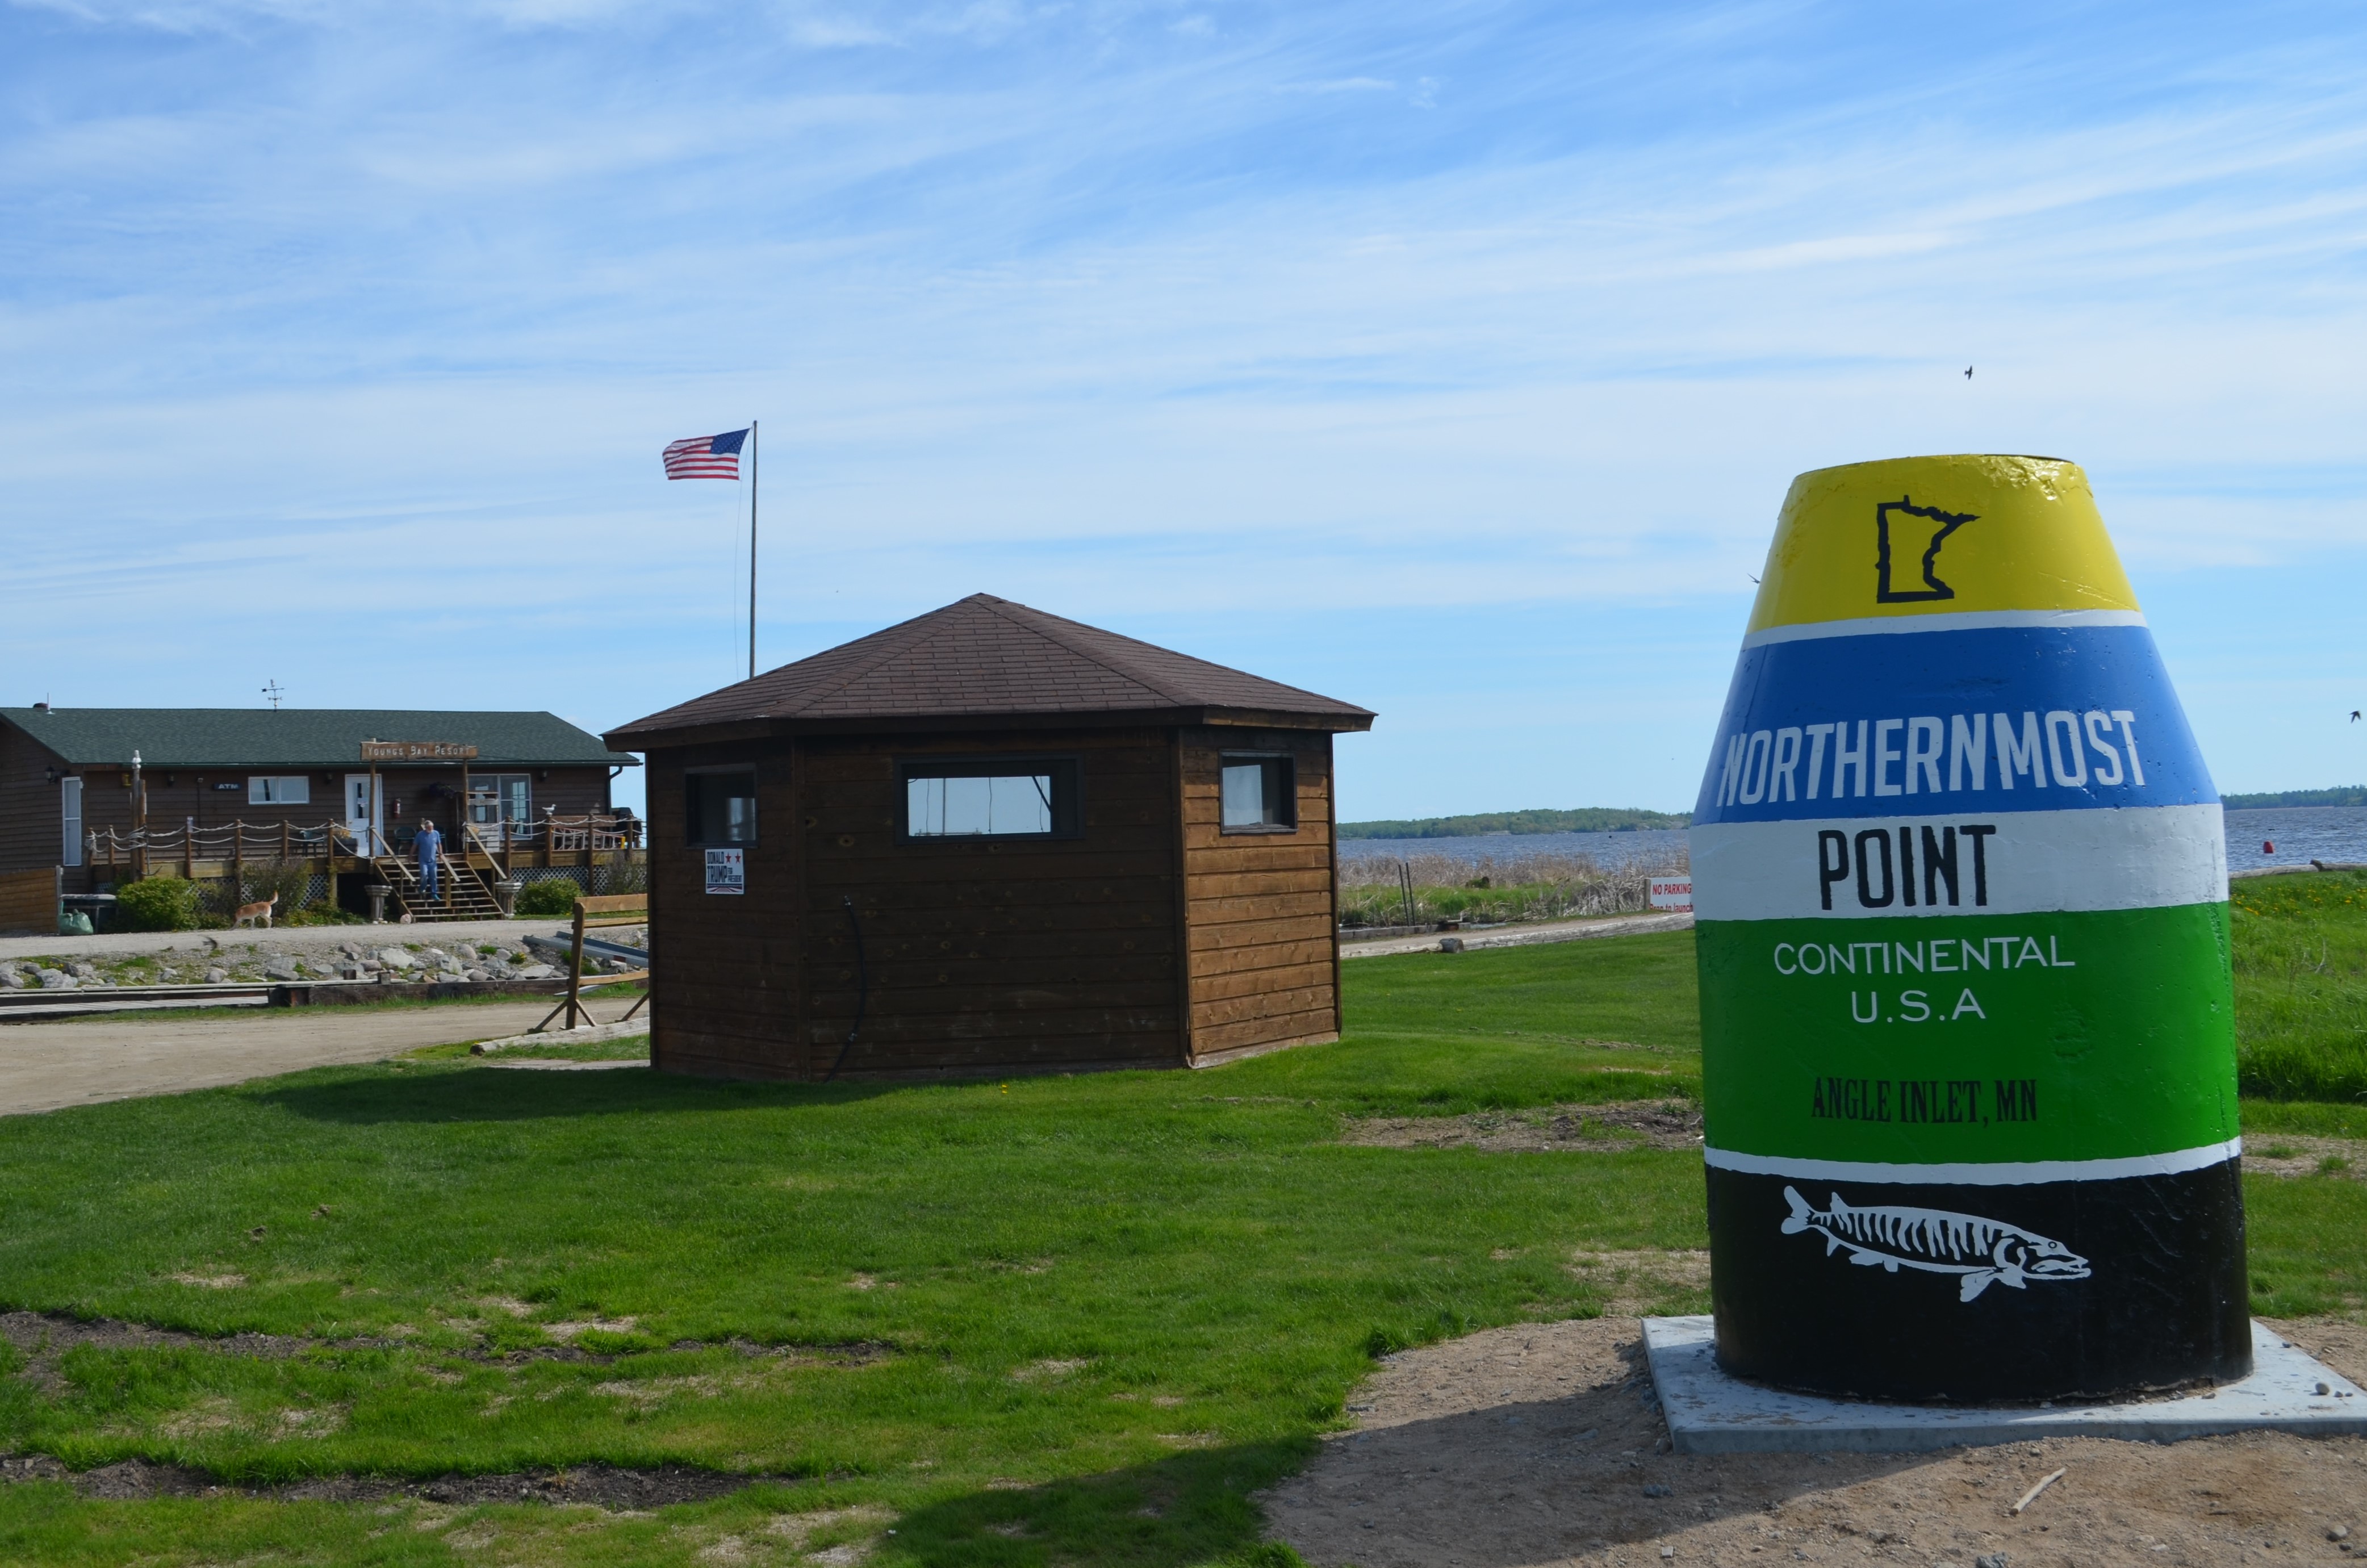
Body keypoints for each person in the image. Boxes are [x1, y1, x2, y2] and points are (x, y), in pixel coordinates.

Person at [416, 817, 444, 903]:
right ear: (426, 828)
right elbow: (415, 845)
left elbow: (439, 844)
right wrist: (410, 856)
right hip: (423, 859)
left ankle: (434, 893)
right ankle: (422, 887)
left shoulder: (436, 833)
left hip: (433, 860)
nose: (431, 829)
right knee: (424, 874)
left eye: (432, 827)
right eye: (430, 828)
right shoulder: (420, 835)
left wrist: (441, 853)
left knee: (434, 877)